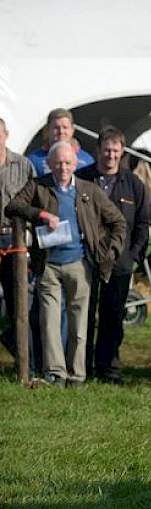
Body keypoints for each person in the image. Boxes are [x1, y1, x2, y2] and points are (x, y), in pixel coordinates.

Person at [5, 141, 125, 387]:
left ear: (75, 164)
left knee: (79, 323)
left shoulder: (88, 190)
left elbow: (118, 221)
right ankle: (56, 373)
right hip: (48, 265)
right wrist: (41, 214)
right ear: (49, 164)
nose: (63, 167)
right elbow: (13, 205)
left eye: (68, 162)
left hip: (80, 264)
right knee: (49, 323)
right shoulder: (39, 186)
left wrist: (109, 252)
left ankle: (77, 374)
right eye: (58, 163)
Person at [76, 127, 149, 385]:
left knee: (113, 317)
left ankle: (109, 368)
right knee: (84, 316)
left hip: (119, 263)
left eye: (115, 150)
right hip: (85, 261)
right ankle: (81, 367)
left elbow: (142, 225)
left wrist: (133, 257)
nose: (110, 155)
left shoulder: (134, 185)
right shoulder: (81, 179)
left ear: (122, 152)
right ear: (98, 151)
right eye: (106, 150)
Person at [0, 117, 38, 371]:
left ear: (6, 135)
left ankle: (26, 365)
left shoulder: (23, 166)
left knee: (19, 306)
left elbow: (35, 203)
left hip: (14, 241)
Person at [26, 109, 95, 176]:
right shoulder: (33, 161)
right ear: (47, 130)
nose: (61, 132)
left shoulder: (87, 160)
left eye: (65, 127)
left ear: (72, 130)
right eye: (56, 128)